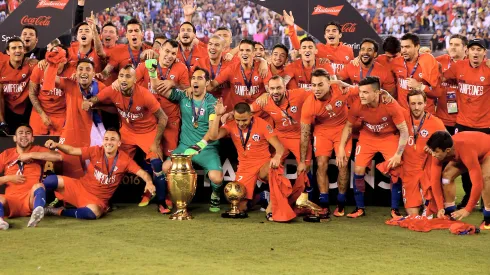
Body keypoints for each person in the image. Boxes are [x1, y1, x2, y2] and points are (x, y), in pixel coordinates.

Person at [83, 65, 170, 214]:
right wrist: (90, 102)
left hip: (147, 132)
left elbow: (163, 117)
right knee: (112, 163)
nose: (124, 79)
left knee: (156, 164)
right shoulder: (113, 89)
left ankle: (162, 201)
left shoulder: (144, 94)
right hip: (127, 133)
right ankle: (105, 201)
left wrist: (156, 143)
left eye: (128, 76)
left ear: (135, 80)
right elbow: (99, 97)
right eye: (121, 76)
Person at [152, 67, 224, 212]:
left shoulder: (212, 103)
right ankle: (175, 198)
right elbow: (158, 88)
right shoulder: (184, 95)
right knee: (166, 167)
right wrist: (153, 73)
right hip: (185, 146)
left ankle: (215, 194)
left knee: (217, 178)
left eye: (200, 78)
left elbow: (213, 133)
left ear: (208, 82)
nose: (195, 81)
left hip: (206, 148)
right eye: (193, 78)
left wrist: (217, 116)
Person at [43, 128, 156, 219]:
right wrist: (57, 145)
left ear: (119, 143)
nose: (108, 142)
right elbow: (72, 150)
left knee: (93, 214)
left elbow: (143, 173)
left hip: (97, 200)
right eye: (106, 139)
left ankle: (57, 211)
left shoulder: (125, 160)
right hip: (80, 187)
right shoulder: (96, 150)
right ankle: (36, 207)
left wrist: (149, 182)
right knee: (50, 180)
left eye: (112, 139)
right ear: (103, 141)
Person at [337, 76, 408, 218]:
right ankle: (360, 208)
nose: (361, 95)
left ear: (377, 93)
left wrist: (398, 154)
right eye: (360, 92)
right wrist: (340, 147)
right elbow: (348, 126)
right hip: (368, 137)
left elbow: (404, 131)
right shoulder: (358, 104)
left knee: (395, 169)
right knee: (358, 169)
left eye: (365, 92)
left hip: (388, 137)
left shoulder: (390, 105)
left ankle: (395, 209)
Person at [298, 69, 357, 218]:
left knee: (342, 163)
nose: (316, 89)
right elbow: (305, 134)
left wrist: (384, 94)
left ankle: (341, 201)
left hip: (342, 129)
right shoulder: (309, 104)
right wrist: (302, 160)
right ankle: (324, 204)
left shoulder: (341, 89)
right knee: (322, 163)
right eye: (313, 85)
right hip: (322, 131)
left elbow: (364, 90)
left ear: (329, 83)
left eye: (320, 85)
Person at [209, 101, 284, 214]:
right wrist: (218, 115)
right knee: (239, 206)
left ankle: (273, 204)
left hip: (263, 163)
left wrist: (277, 156)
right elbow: (213, 136)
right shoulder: (230, 125)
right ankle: (260, 197)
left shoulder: (262, 124)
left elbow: (279, 147)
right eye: (237, 120)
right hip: (245, 167)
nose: (241, 123)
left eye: (244, 120)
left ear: (251, 115)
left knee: (272, 169)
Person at [442, 38, 490, 210]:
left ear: (484, 53)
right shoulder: (458, 67)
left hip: (485, 127)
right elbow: (440, 76)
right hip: (462, 125)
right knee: (460, 165)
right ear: (467, 52)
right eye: (473, 49)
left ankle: (486, 205)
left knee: (486, 172)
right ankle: (466, 199)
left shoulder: (488, 68)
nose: (475, 52)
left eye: (479, 49)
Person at [0, 125, 62, 230]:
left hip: (29, 200)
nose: (24, 135)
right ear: (14, 138)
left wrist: (31, 155)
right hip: (10, 202)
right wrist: (9, 178)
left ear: (32, 138)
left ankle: (36, 213)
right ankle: (0, 222)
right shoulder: (6, 154)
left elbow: (58, 157)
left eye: (28, 133)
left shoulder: (37, 150)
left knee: (39, 186)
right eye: (21, 133)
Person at [426, 131, 490, 229]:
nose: (433, 155)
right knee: (446, 177)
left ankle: (488, 217)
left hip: (486, 152)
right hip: (468, 154)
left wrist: (467, 209)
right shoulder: (438, 153)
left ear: (447, 150)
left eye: (436, 152)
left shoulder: (465, 150)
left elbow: (477, 183)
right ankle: (449, 212)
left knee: (486, 179)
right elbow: (434, 181)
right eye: (433, 151)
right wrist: (440, 207)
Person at [401, 90, 446, 215]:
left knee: (429, 216)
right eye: (413, 103)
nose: (416, 107)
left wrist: (434, 148)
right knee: (412, 215)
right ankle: (421, 199)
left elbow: (449, 145)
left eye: (420, 103)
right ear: (408, 104)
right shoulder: (401, 117)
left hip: (428, 170)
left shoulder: (436, 122)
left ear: (426, 103)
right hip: (408, 171)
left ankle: (430, 201)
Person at [208, 39, 271, 112]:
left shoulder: (262, 68)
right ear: (238, 53)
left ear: (253, 53)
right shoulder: (231, 69)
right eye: (241, 50)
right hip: (237, 114)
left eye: (248, 50)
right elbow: (212, 85)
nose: (244, 53)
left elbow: (270, 90)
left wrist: (267, 94)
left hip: (259, 113)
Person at [283, 11, 354, 74]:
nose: (330, 33)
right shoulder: (318, 48)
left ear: (340, 35)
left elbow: (352, 70)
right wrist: (291, 26)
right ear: (325, 36)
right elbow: (299, 48)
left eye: (334, 31)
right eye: (328, 31)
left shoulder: (348, 50)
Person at [28, 46, 73, 136]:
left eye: (59, 57)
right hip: (40, 111)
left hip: (61, 114)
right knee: (35, 143)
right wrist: (42, 114)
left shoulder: (72, 72)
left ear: (65, 60)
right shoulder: (39, 68)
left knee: (59, 146)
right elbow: (32, 93)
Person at [390, 33, 441, 112]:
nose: (403, 50)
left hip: (424, 114)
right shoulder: (396, 62)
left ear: (417, 46)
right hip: (404, 114)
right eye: (402, 47)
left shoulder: (427, 62)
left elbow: (437, 92)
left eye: (407, 47)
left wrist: (419, 86)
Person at [0, 37, 36, 135]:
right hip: (6, 109)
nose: (17, 51)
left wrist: (42, 62)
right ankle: (2, 124)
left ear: (24, 50)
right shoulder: (1, 66)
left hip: (27, 109)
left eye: (20, 47)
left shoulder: (32, 65)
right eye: (14, 48)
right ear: (7, 51)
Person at [435, 34, 467, 135]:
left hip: (463, 120)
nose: (452, 47)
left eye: (457, 45)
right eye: (451, 44)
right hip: (442, 118)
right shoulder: (440, 61)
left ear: (465, 47)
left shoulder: (471, 64)